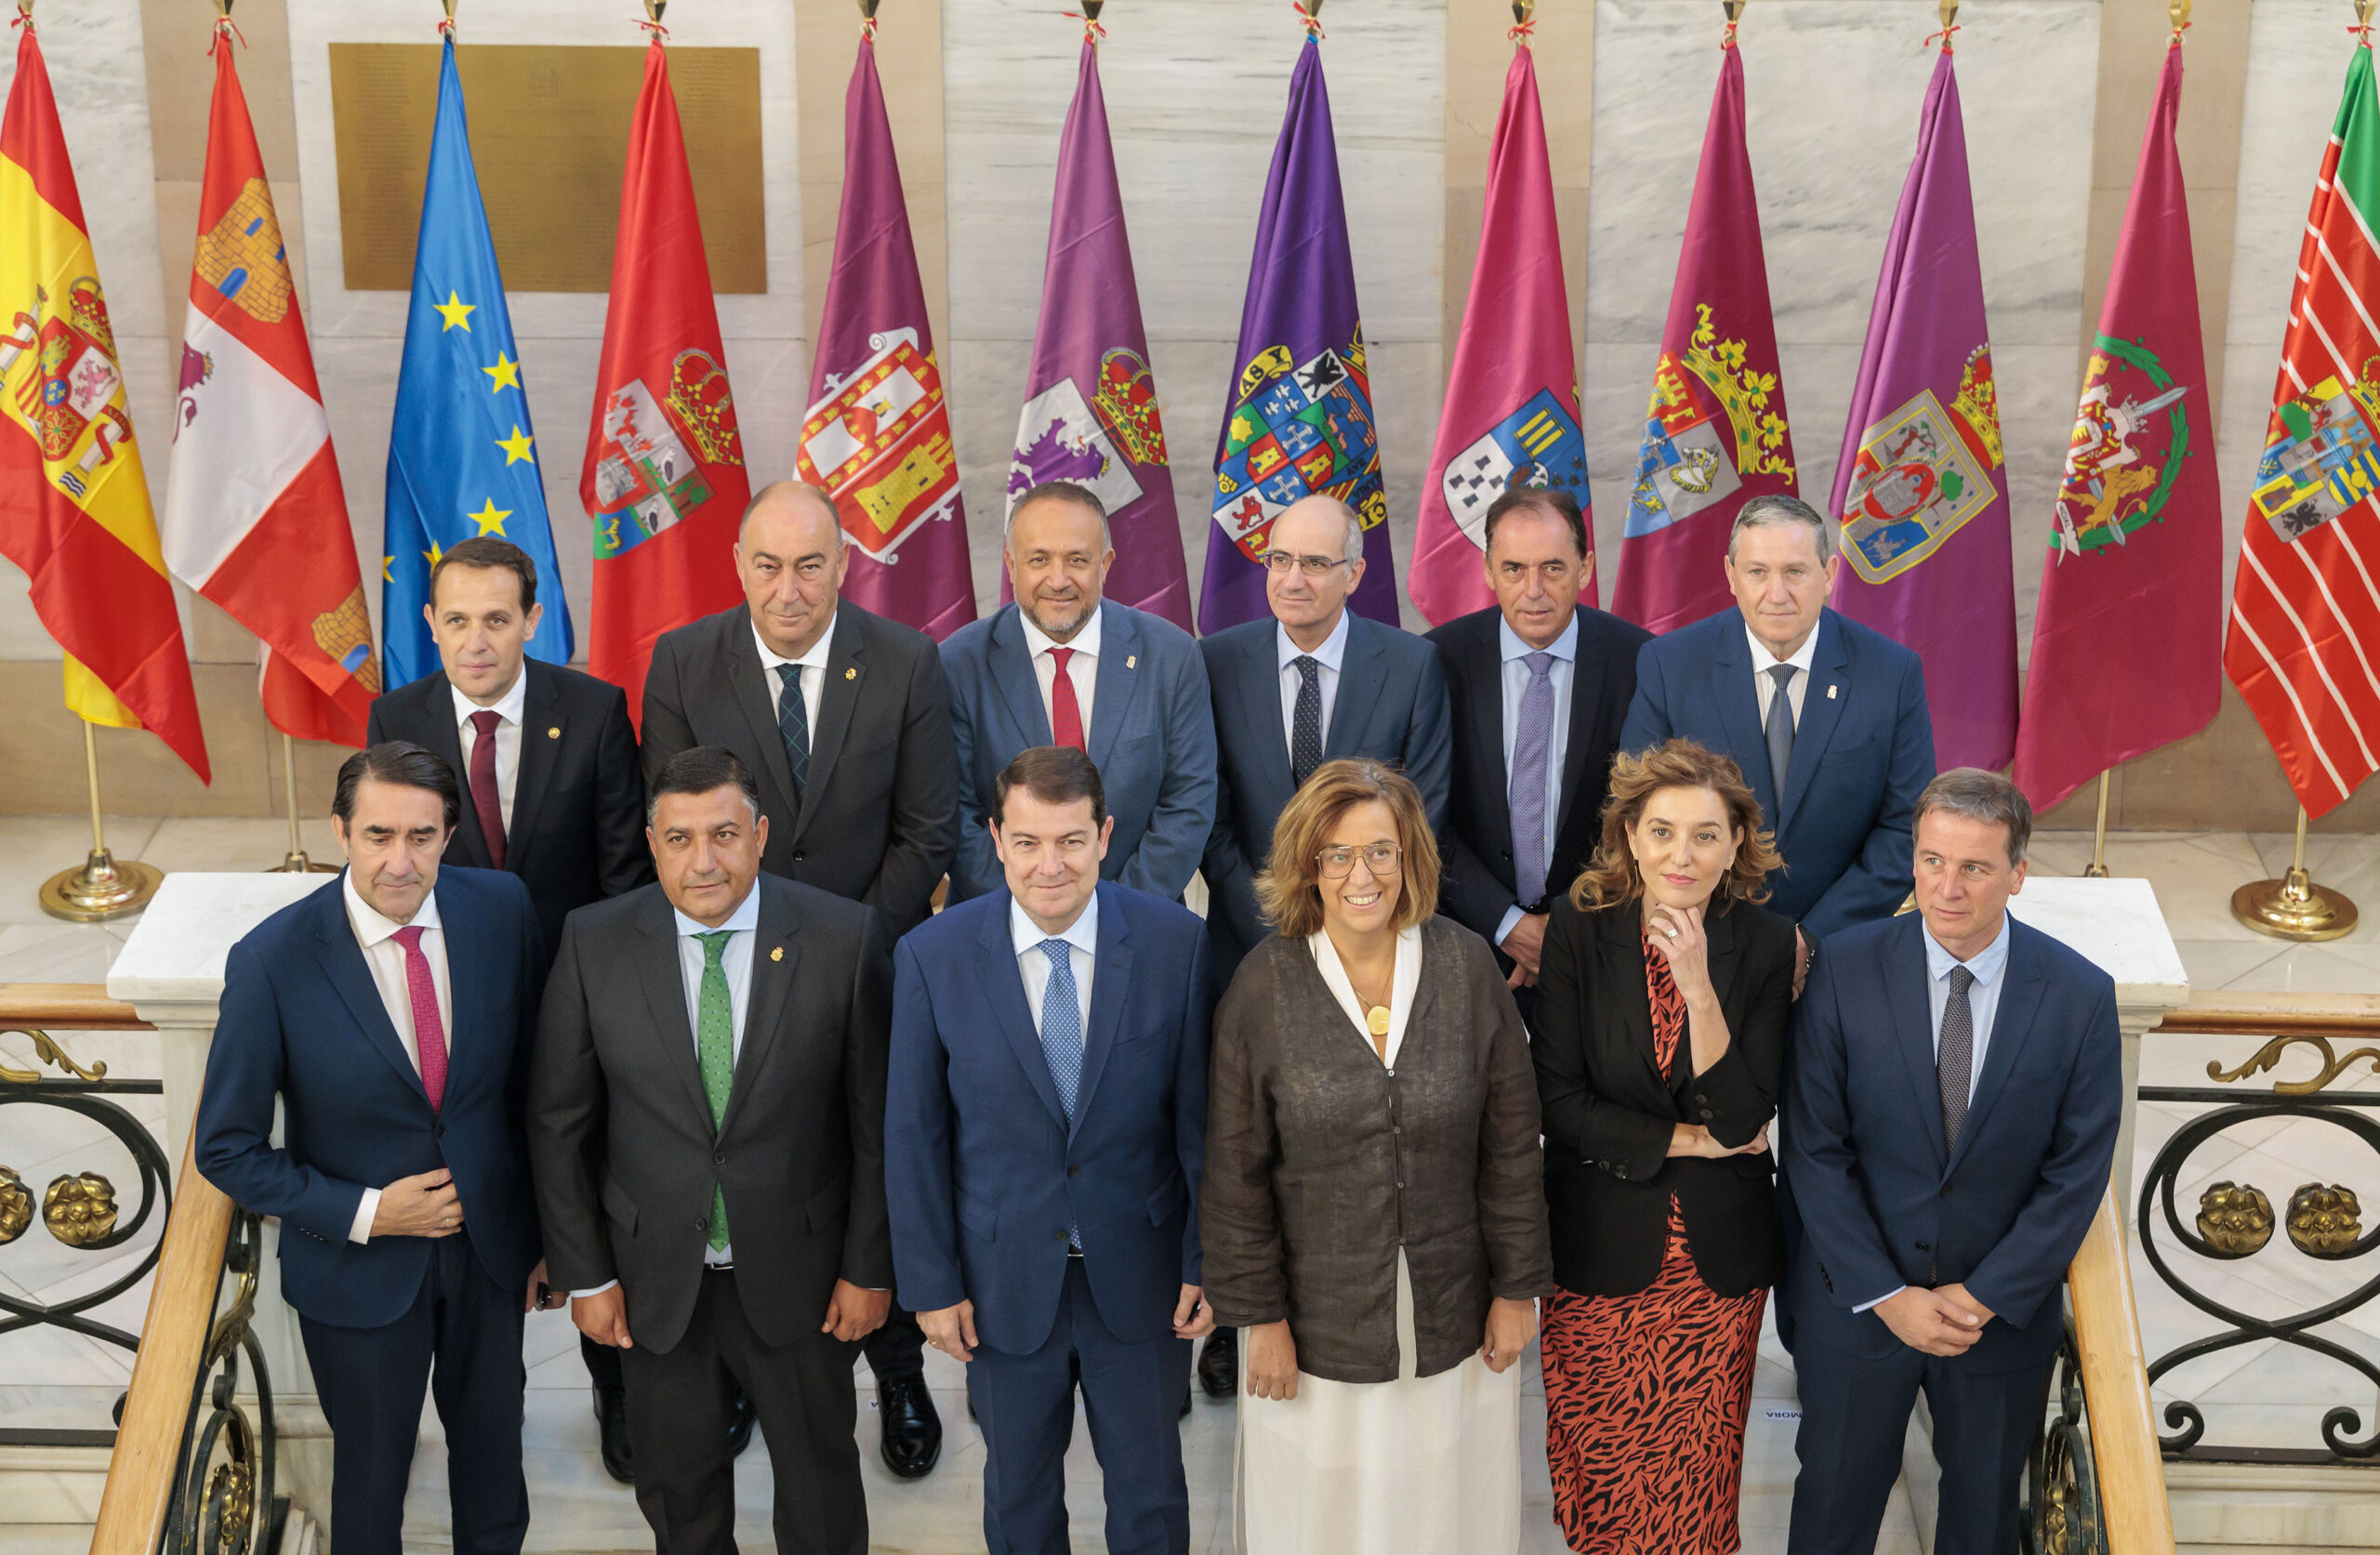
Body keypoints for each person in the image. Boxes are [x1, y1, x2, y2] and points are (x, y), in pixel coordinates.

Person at [637, 480, 954, 1474]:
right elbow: (680, 826)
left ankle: (895, 1368)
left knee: (873, 1157)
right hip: (730, 967)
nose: (789, 588)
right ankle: (741, 1368)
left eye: (810, 565)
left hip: (871, 964)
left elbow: (927, 832)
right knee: (753, 1157)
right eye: (768, 565)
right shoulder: (683, 660)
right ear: (738, 565)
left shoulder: (907, 660)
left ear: (843, 565)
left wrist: (840, 945)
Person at [529, 746, 893, 1555]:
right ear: (651, 844)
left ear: (760, 835)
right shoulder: (594, 941)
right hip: (654, 1284)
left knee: (822, 1496)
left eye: (724, 834)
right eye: (680, 838)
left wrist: (868, 1266)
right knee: (681, 1499)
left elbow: (875, 1125)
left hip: (804, 1276)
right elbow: (559, 1122)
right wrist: (587, 1273)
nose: (704, 860)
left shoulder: (843, 936)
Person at [195, 743, 557, 1555]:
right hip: (356, 1275)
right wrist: (369, 1212)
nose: (401, 861)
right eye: (378, 835)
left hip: (490, 1255)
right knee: (369, 1490)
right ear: (340, 832)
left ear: (449, 833)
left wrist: (547, 1236)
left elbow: (537, 1087)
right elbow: (226, 1148)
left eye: (422, 836)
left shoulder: (502, 909)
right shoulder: (272, 961)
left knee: (496, 1470)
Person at [1201, 758, 1553, 1554]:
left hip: (1456, 1318)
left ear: (1410, 857)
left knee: (1443, 1514)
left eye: (1381, 851)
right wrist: (1259, 1318)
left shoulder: (1468, 968)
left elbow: (1510, 1149)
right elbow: (1235, 1174)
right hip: (1313, 1329)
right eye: (1338, 854)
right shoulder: (1262, 986)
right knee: (1322, 1521)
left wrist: (1516, 1291)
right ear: (1308, 865)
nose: (1362, 875)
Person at [365, 534, 654, 1478]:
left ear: (534, 619)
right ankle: (495, 1406)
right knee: (487, 1198)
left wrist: (604, 1006)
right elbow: (397, 871)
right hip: (457, 1007)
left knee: (592, 1191)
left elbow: (622, 874)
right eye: (457, 619)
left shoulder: (595, 710)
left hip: (577, 997)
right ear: (430, 622)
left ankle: (619, 1390)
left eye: (497, 618)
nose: (477, 640)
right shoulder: (397, 715)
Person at [887, 746, 1217, 1555]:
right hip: (1001, 1284)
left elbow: (1203, 1125)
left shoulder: (1176, 944)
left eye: (1071, 840)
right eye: (1028, 842)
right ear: (997, 839)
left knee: (1151, 1500)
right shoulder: (932, 955)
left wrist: (1206, 1258)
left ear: (1105, 835)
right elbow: (915, 1133)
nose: (1050, 865)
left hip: (1140, 1279)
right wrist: (932, 1284)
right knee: (1019, 1502)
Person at [1782, 769, 2122, 1555]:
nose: (1947, 887)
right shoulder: (1843, 969)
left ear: (2018, 872)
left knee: (1982, 1522)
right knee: (1831, 1514)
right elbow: (1814, 1148)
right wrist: (1886, 1293)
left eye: (1974, 866)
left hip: (1993, 1324)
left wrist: (1984, 1295)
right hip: (1858, 1306)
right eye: (1932, 860)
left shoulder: (2079, 995)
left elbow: (2076, 1172)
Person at [1197, 496, 1455, 1394]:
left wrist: (1350, 916)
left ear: (1355, 573)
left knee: (1347, 1137)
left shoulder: (1411, 665)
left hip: (1375, 946)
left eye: (1314, 563)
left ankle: (1362, 1305)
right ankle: (1238, 1317)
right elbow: (1210, 813)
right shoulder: (1216, 660)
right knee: (1249, 1137)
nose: (1293, 579)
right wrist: (1282, 918)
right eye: (1278, 560)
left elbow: (1423, 815)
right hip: (1250, 943)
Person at [1529, 739, 1797, 1553]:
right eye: (1663, 831)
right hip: (1599, 1252)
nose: (1683, 855)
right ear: (1631, 836)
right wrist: (1688, 1138)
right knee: (1604, 1482)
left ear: (1737, 844)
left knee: (1696, 1491)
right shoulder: (1577, 928)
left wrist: (1697, 986)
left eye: (1706, 834)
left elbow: (1744, 1118)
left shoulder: (1768, 942)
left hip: (1714, 1272)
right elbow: (1559, 1103)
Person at [1619, 494, 1935, 979]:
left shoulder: (1891, 674)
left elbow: (1905, 826)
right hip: (1701, 948)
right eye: (1757, 572)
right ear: (1731, 575)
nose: (1777, 593)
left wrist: (1813, 938)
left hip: (1839, 954)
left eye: (1795, 571)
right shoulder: (1670, 665)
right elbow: (1638, 809)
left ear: (1828, 574)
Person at [1425, 487, 1651, 1007]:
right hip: (1470, 947)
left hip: (1601, 945)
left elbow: (1644, 814)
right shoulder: (1436, 661)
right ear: (1488, 571)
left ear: (1585, 568)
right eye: (1514, 569)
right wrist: (1507, 924)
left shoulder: (1641, 661)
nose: (1534, 590)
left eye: (1553, 568)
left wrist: (1565, 925)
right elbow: (1424, 813)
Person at [940, 481, 1217, 903]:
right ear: (1011, 566)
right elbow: (954, 814)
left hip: (1143, 916)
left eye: (1077, 560)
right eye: (1039, 559)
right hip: (997, 919)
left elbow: (1188, 805)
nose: (1058, 580)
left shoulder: (1172, 657)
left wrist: (1111, 916)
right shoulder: (957, 664)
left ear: (1105, 565)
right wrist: (1030, 915)